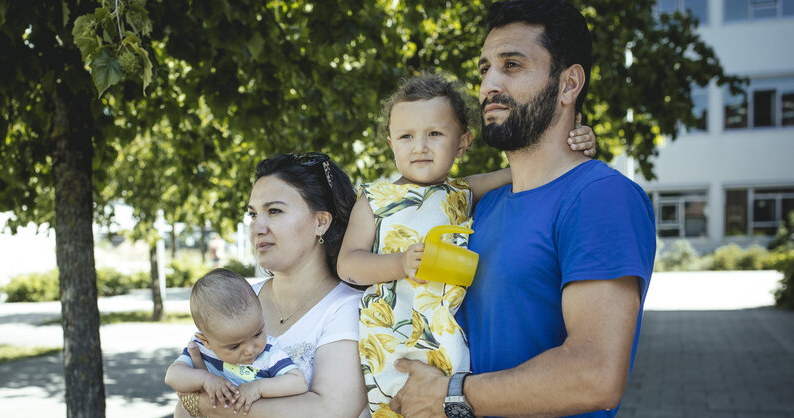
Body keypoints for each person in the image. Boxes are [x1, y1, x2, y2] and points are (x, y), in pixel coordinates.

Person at [388, 1, 656, 417]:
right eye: (484, 69)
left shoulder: (601, 197)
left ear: (569, 85)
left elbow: (595, 374)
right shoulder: (479, 207)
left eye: (512, 65)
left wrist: (451, 395)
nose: (489, 84)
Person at [337, 71, 596, 415]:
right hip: (392, 336)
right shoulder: (375, 198)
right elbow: (348, 265)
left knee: (447, 403)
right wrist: (398, 263)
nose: (419, 146)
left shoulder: (465, 191)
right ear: (390, 143)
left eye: (434, 134)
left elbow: (533, 170)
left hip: (450, 334)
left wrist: (575, 144)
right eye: (405, 136)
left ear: (462, 142)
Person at [174, 153, 366, 417]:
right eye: (253, 214)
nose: (257, 227)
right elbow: (186, 395)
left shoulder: (347, 307)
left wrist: (204, 403)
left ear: (320, 222)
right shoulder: (240, 296)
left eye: (274, 211)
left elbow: (330, 411)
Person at [165, 268, 308, 416]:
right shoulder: (201, 348)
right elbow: (172, 376)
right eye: (235, 346)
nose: (250, 350)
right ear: (206, 341)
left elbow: (298, 382)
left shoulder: (268, 352)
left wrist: (258, 387)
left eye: (257, 333)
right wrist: (204, 379)